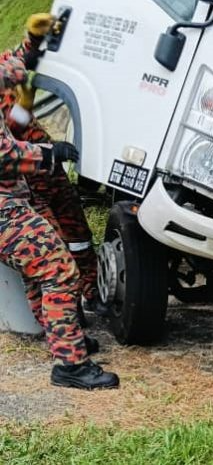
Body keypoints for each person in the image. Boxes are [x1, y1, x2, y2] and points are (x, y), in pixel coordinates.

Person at [0, 45, 118, 390]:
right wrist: (50, 154)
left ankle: (65, 341)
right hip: (4, 210)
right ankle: (70, 364)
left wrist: (30, 48)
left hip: (11, 203)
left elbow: (12, 68)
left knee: (38, 272)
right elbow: (5, 156)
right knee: (59, 269)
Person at [1, 14, 99, 315]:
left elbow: (16, 61)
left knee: (79, 237)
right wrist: (48, 149)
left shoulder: (3, 69)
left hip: (50, 172)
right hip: (29, 181)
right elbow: (11, 142)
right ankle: (62, 325)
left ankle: (92, 293)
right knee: (50, 248)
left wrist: (33, 40)